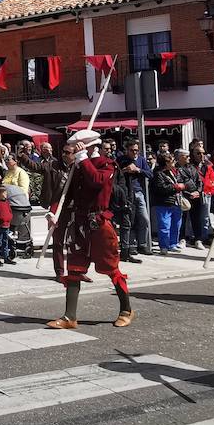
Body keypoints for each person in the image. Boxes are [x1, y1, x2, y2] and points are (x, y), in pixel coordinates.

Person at [46, 130, 134, 330]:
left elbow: (96, 181)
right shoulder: (78, 166)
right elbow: (67, 194)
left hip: (99, 223)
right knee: (74, 268)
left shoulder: (106, 164)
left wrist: (83, 159)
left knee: (111, 268)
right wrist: (55, 214)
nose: (74, 151)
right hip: (79, 223)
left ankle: (126, 309)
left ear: (89, 147)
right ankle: (69, 316)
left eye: (78, 147)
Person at [150, 150, 187, 253]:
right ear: (166, 162)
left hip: (176, 202)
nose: (174, 163)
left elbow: (183, 181)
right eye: (172, 161)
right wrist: (176, 187)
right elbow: (161, 188)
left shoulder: (174, 172)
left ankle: (173, 243)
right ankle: (164, 246)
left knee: (176, 225)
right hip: (164, 203)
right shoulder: (158, 173)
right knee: (164, 226)